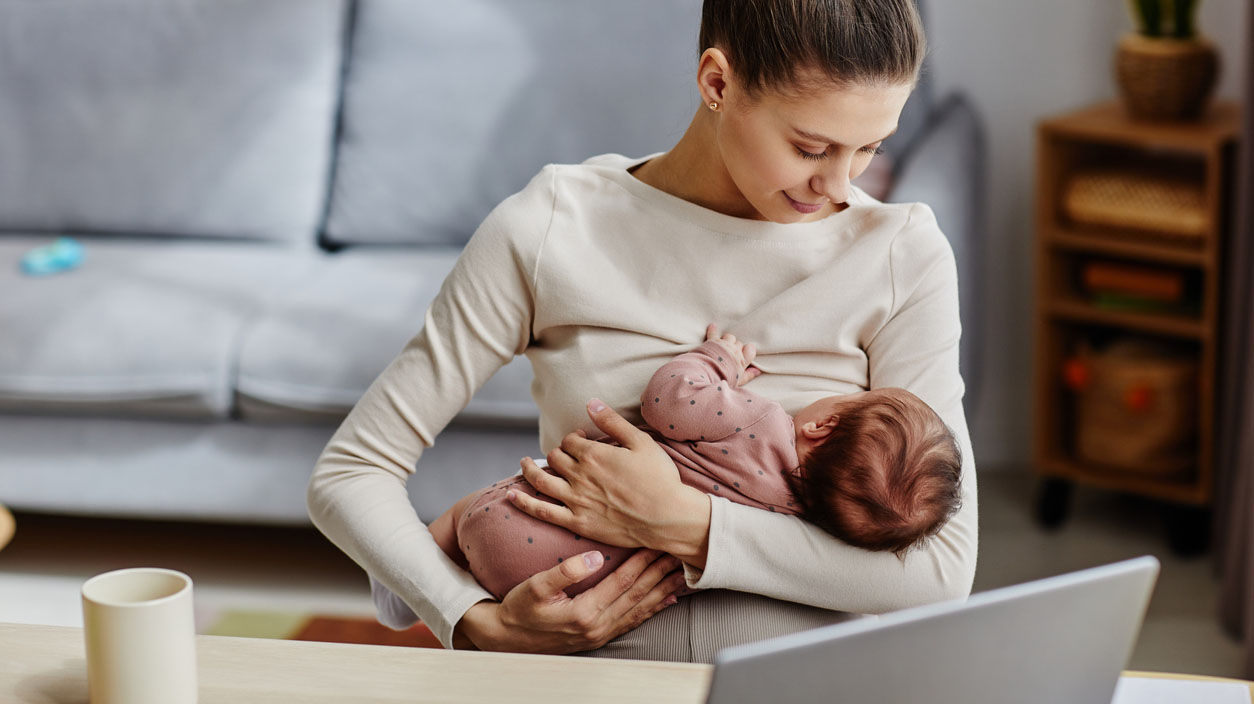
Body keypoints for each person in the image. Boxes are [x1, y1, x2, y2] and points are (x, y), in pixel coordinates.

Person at [308, 0, 978, 663]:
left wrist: (682, 522)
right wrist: (470, 619)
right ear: (718, 82)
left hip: (800, 684)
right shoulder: (553, 226)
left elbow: (940, 573)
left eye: (869, 148)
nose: (837, 185)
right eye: (811, 147)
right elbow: (352, 470)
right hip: (591, 679)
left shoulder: (899, 252)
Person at [369, 324, 963, 627]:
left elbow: (669, 402)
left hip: (518, 518)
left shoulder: (759, 418)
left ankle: (410, 587)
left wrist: (716, 361)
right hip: (581, 586)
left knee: (464, 514)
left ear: (823, 424)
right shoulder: (794, 521)